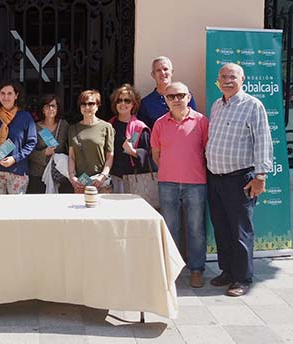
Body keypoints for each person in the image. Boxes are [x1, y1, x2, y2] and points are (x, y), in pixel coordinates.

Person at [206, 63, 273, 296]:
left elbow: (263, 141)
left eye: (232, 76)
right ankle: (227, 271)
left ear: (242, 79)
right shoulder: (217, 105)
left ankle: (242, 278)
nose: (227, 80)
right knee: (222, 228)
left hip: (240, 180)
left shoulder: (253, 105)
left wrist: (261, 176)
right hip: (215, 178)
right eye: (223, 76)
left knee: (241, 231)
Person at [151, 82, 209, 288]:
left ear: (188, 96)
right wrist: (170, 168)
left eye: (180, 95)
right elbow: (156, 154)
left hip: (195, 183)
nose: (176, 99)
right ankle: (171, 270)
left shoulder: (201, 121)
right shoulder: (159, 123)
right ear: (165, 100)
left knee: (195, 228)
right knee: (170, 228)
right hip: (167, 182)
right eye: (171, 96)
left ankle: (196, 269)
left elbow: (206, 149)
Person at [0, 81, 37, 194]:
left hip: (17, 170)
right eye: (2, 93)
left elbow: (31, 143)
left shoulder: (25, 117)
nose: (5, 97)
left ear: (16, 95)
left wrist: (15, 158)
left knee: (16, 208)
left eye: (9, 93)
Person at [68, 90, 114, 193]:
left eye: (91, 103)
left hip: (100, 182)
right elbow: (71, 156)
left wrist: (102, 176)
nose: (87, 107)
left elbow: (110, 155)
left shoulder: (106, 127)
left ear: (97, 106)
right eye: (83, 104)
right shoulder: (73, 129)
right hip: (80, 182)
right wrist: (72, 177)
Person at [107, 84, 151, 193]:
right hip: (111, 178)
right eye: (119, 100)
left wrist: (133, 152)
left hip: (132, 179)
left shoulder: (139, 127)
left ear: (133, 104)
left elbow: (148, 155)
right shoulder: (109, 124)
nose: (122, 104)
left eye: (127, 101)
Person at [27, 94, 71, 193]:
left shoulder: (64, 125)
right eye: (47, 106)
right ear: (42, 109)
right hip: (38, 174)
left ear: (57, 108)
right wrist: (44, 153)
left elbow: (70, 148)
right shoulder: (34, 127)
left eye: (53, 106)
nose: (50, 109)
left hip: (58, 173)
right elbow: (28, 151)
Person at [138, 56, 197, 129]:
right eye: (158, 70)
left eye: (165, 69)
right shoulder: (146, 103)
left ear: (171, 72)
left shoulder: (184, 96)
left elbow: (195, 123)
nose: (162, 73)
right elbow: (141, 130)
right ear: (153, 75)